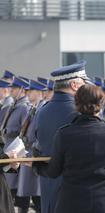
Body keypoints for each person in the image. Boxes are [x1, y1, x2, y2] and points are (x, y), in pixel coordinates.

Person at [33, 84, 105, 213]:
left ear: (76, 104)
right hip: (104, 203)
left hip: (72, 203)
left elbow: (53, 172)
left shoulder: (64, 133)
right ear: (100, 104)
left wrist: (36, 165)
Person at [34, 60, 89, 213]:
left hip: (48, 185)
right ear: (75, 85)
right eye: (84, 83)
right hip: (73, 188)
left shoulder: (42, 110)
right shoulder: (81, 111)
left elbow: (36, 142)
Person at [15, 80, 47, 213]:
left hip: (34, 153)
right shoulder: (34, 108)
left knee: (37, 195)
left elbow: (41, 134)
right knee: (27, 193)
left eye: (31, 91)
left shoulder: (43, 109)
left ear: (40, 93)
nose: (28, 93)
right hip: (27, 151)